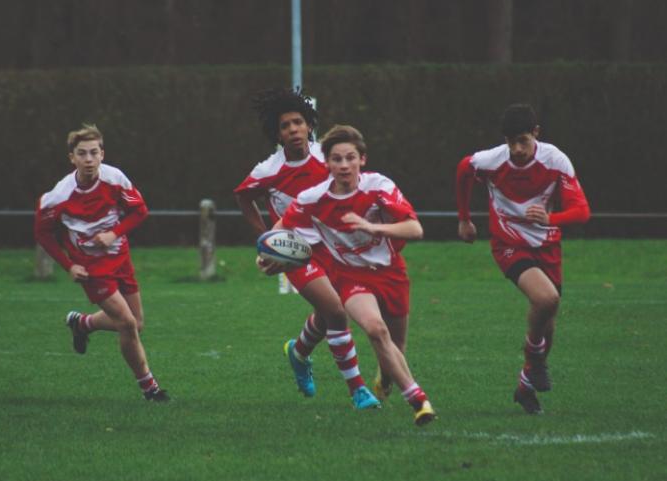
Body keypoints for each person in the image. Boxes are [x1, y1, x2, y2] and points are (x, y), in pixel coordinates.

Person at [275, 124, 437, 426]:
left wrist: (373, 227)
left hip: (390, 273)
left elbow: (415, 229)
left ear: (362, 159)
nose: (344, 165)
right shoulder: (313, 198)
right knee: (376, 330)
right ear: (327, 163)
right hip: (349, 277)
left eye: (350, 158)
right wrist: (267, 254)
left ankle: (386, 377)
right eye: (336, 159)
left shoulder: (379, 186)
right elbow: (281, 227)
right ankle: (419, 400)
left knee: (395, 347)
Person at [236, 88, 380, 409]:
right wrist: (266, 240)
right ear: (277, 133)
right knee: (337, 312)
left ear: (309, 125)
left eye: (298, 122)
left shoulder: (326, 159)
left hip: (333, 247)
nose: (293, 130)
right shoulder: (267, 171)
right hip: (297, 254)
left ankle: (298, 353)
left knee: (329, 310)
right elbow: (243, 197)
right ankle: (357, 389)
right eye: (285, 126)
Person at [456, 103, 591, 414]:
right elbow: (464, 169)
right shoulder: (491, 161)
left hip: (547, 246)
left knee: (549, 320)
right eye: (510, 142)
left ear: (536, 135)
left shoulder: (555, 160)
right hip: (508, 243)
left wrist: (550, 218)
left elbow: (582, 211)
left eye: (523, 141)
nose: (516, 149)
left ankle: (525, 389)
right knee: (546, 299)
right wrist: (464, 218)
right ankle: (533, 359)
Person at [34, 124, 168, 402]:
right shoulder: (58, 196)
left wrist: (114, 233)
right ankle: (150, 388)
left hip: (120, 257)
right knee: (128, 324)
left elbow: (139, 211)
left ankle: (82, 324)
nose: (89, 159)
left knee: (137, 323)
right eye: (82, 154)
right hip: (91, 268)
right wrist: (69, 265)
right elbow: (42, 233)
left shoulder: (115, 179)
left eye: (94, 153)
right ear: (72, 158)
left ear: (102, 154)